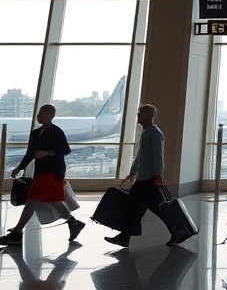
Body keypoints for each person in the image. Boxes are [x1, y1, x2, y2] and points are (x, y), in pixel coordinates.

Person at [0, 105, 86, 246]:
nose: (39, 115)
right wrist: (19, 168)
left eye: (42, 112)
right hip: (41, 171)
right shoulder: (36, 133)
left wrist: (48, 153)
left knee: (31, 201)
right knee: (53, 200)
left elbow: (65, 150)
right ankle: (73, 223)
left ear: (50, 115)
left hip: (52, 171)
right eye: (39, 112)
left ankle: (16, 233)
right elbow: (30, 153)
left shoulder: (56, 132)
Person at [105, 104, 178, 248]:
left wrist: (158, 174)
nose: (138, 116)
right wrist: (133, 171)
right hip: (144, 177)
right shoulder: (146, 133)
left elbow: (158, 156)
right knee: (154, 207)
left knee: (136, 205)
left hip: (148, 178)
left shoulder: (154, 133)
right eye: (139, 114)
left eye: (141, 114)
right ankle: (176, 232)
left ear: (150, 116)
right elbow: (140, 156)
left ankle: (125, 237)